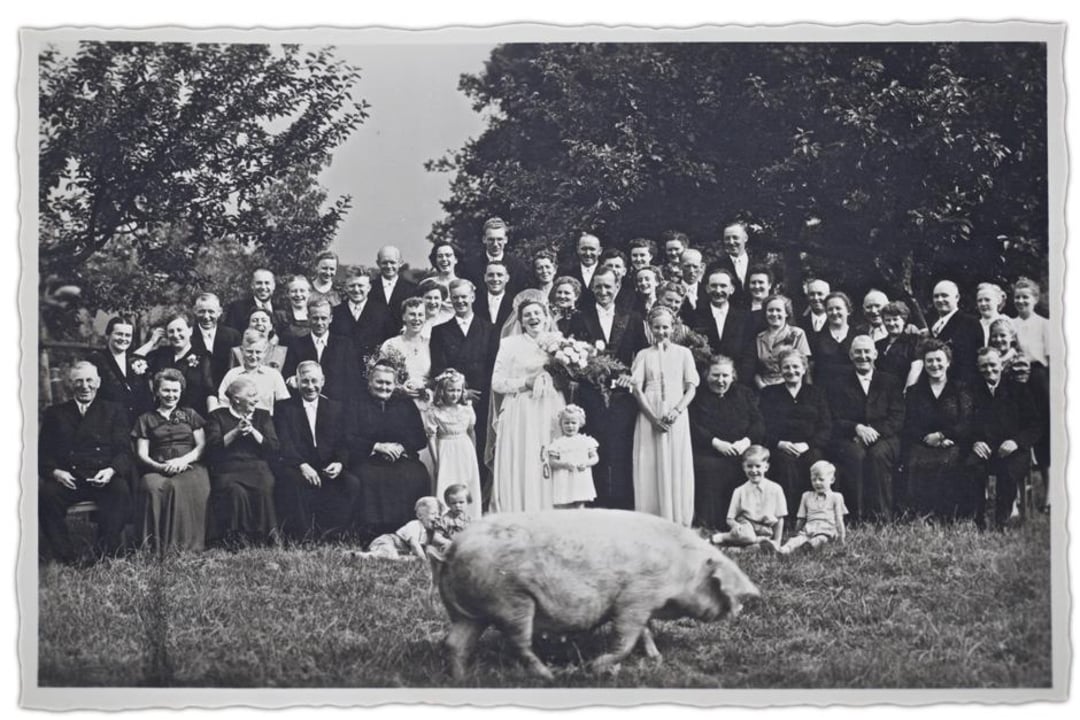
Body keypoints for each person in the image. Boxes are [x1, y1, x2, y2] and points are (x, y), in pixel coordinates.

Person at [566, 268, 648, 510]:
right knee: (595, 445)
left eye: (608, 287)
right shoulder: (581, 317)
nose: (603, 291)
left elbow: (642, 355)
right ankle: (596, 502)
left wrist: (631, 377)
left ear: (617, 287)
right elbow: (571, 353)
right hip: (591, 394)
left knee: (621, 448)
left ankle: (624, 504)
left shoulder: (632, 317)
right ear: (592, 288)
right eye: (598, 287)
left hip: (623, 396)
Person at [38, 362, 132, 563]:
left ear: (98, 383)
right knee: (46, 496)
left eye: (89, 380)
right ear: (70, 384)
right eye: (78, 381)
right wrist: (56, 473)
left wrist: (111, 470)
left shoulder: (114, 410)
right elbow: (43, 454)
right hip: (70, 478)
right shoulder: (55, 413)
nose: (85, 386)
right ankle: (66, 556)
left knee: (121, 491)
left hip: (102, 476)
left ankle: (107, 552)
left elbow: (124, 450)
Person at [490, 296, 566, 513]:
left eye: (537, 313)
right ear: (521, 321)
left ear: (545, 317)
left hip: (551, 407)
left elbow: (569, 377)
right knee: (524, 457)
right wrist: (525, 383)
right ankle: (519, 508)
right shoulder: (509, 344)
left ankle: (550, 508)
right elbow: (497, 382)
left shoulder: (559, 341)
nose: (533, 318)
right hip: (521, 409)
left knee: (549, 454)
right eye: (527, 315)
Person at [273, 361, 362, 541]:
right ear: (297, 382)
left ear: (323, 381)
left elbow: (344, 442)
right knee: (293, 482)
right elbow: (285, 442)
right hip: (297, 463)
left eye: (315, 381)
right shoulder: (285, 408)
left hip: (327, 464)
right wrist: (302, 465)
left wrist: (339, 463)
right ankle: (304, 537)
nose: (310, 387)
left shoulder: (336, 408)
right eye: (305, 381)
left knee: (351, 483)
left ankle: (334, 534)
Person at [429, 279, 496, 508]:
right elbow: (438, 367)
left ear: (473, 297)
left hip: (483, 400)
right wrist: (459, 392)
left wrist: (476, 393)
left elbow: (493, 366)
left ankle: (477, 506)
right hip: (452, 402)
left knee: (478, 452)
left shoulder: (488, 328)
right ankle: (451, 508)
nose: (460, 301)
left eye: (464, 296)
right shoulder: (440, 331)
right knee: (454, 457)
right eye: (455, 297)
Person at [631, 305, 700, 526]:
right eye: (656, 327)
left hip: (676, 413)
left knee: (676, 461)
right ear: (650, 329)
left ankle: (677, 516)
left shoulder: (684, 354)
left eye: (665, 327)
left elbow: (691, 387)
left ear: (673, 327)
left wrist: (677, 410)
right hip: (650, 413)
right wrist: (653, 418)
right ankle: (653, 516)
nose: (661, 332)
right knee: (650, 461)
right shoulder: (643, 354)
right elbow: (636, 388)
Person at [826, 335, 905, 522]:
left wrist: (873, 432)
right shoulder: (838, 383)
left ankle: (881, 516)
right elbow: (834, 417)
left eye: (867, 351)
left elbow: (897, 417)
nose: (863, 356)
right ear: (851, 355)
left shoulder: (890, 381)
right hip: (849, 437)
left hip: (885, 437)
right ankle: (856, 515)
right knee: (855, 455)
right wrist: (857, 428)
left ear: (875, 354)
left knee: (878, 455)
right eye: (858, 352)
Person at [132, 368, 211, 554]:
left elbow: (201, 446)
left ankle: (182, 547)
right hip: (158, 466)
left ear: (181, 391)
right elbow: (142, 454)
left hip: (190, 465)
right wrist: (160, 466)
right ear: (157, 391)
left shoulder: (190, 414)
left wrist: (182, 461)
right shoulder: (146, 419)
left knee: (179, 486)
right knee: (149, 485)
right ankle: (153, 547)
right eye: (166, 390)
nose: (171, 395)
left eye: (175, 391)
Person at [352, 361, 431, 538]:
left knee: (416, 474)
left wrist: (402, 446)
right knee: (369, 477)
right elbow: (348, 435)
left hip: (401, 457)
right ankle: (373, 531)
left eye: (388, 383)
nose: (384, 387)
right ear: (370, 382)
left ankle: (408, 529)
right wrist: (376, 446)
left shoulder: (405, 404)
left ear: (395, 385)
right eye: (379, 382)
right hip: (368, 457)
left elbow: (419, 437)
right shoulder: (357, 403)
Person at [689, 354, 765, 531]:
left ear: (733, 376)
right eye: (715, 375)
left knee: (751, 465)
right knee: (710, 467)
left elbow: (758, 423)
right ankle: (711, 523)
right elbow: (693, 426)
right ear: (706, 375)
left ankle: (749, 520)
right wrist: (715, 443)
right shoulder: (697, 396)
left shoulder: (744, 393)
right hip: (709, 450)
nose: (721, 380)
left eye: (725, 376)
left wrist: (745, 442)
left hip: (741, 450)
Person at [902, 339, 975, 519]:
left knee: (950, 461)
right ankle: (922, 512)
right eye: (930, 361)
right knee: (916, 461)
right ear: (924, 364)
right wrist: (928, 438)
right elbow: (909, 423)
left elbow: (966, 421)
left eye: (939, 360)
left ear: (948, 362)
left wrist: (943, 436)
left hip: (954, 442)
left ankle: (948, 514)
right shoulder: (914, 391)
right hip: (923, 442)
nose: (935, 365)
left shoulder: (960, 389)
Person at [969, 347, 1041, 529]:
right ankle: (978, 518)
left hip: (1013, 450)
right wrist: (974, 442)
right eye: (983, 366)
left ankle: (1002, 520)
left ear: (1001, 365)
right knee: (971, 466)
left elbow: (1035, 425)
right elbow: (965, 424)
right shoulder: (972, 391)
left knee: (1008, 472)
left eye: (992, 364)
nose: (989, 370)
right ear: (978, 368)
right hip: (984, 448)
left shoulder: (1019, 389)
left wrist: (1016, 442)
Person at [204, 375, 279, 545]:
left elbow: (273, 447)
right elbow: (212, 449)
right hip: (228, 468)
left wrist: (253, 431)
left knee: (264, 488)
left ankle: (265, 538)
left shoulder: (263, 415)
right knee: (235, 492)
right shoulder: (217, 416)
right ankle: (238, 539)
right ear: (237, 399)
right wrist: (236, 431)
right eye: (252, 395)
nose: (256, 399)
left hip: (257, 466)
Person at [760, 348, 832, 516]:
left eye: (795, 366)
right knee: (785, 465)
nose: (791, 371)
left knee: (815, 464)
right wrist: (779, 444)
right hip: (780, 446)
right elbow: (762, 426)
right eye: (786, 367)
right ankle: (789, 516)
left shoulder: (817, 393)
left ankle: (816, 514)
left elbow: (826, 426)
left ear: (804, 368)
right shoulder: (769, 393)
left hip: (810, 446)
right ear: (780, 369)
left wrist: (807, 445)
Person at [425, 369, 482, 519]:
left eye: (458, 390)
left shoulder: (467, 409)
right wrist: (437, 462)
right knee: (446, 482)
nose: (454, 394)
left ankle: (470, 519)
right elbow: (431, 437)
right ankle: (444, 522)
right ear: (442, 390)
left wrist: (473, 455)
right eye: (451, 390)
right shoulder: (434, 411)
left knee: (466, 484)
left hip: (464, 448)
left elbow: (471, 431)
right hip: (445, 449)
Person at [281, 298, 361, 404]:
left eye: (323, 318)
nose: (319, 323)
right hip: (305, 405)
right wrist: (291, 380)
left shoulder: (345, 345)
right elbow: (287, 375)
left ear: (331, 319)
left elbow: (352, 380)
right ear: (308, 318)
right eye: (315, 318)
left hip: (337, 406)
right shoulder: (296, 345)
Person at [710, 445, 786, 552]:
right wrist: (736, 526)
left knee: (765, 546)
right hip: (746, 527)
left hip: (765, 531)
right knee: (748, 536)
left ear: (766, 467)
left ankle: (732, 549)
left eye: (758, 466)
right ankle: (721, 537)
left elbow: (779, 518)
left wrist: (777, 541)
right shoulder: (739, 491)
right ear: (743, 467)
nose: (754, 470)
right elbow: (730, 518)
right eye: (749, 466)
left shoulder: (776, 489)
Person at [689, 267, 754, 383]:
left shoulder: (744, 318)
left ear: (732, 289)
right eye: (714, 286)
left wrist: (736, 380)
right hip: (705, 383)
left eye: (723, 286)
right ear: (707, 288)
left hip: (737, 382)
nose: (718, 291)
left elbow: (749, 355)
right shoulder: (694, 317)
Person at [145, 312, 215, 417]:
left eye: (179, 330)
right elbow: (134, 361)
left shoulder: (204, 356)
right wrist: (152, 342)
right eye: (171, 331)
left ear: (190, 331)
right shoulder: (160, 354)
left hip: (193, 418)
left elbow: (210, 392)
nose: (176, 335)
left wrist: (212, 420)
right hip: (162, 418)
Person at [89, 315, 155, 423]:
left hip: (136, 424)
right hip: (108, 423)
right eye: (119, 334)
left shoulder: (136, 361)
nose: (124, 339)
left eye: (128, 335)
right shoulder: (96, 360)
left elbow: (146, 396)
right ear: (108, 335)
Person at [330, 268, 396, 368]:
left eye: (360, 286)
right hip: (342, 370)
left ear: (369, 287)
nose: (356, 290)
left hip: (372, 371)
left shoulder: (383, 313)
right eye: (352, 286)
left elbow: (390, 343)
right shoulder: (336, 313)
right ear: (346, 288)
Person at [778, 460, 848, 554]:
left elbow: (839, 519)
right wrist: (797, 532)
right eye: (813, 480)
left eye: (821, 479)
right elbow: (801, 518)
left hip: (827, 530)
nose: (817, 483)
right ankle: (783, 549)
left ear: (832, 480)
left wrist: (841, 538)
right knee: (796, 539)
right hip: (809, 528)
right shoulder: (806, 496)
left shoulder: (836, 497)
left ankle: (807, 548)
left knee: (820, 539)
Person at [216, 330, 290, 415]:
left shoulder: (274, 375)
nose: (253, 356)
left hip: (266, 423)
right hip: (237, 422)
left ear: (264, 353)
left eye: (258, 352)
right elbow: (223, 403)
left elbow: (284, 404)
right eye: (249, 351)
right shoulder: (232, 374)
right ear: (242, 351)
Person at [544, 404, 599, 509]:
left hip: (580, 477)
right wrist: (563, 464)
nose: (570, 426)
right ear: (561, 424)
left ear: (580, 424)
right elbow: (551, 461)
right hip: (564, 478)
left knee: (580, 502)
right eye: (566, 423)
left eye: (574, 423)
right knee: (564, 504)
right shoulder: (558, 443)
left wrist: (586, 463)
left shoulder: (586, 441)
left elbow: (595, 458)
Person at [379, 297, 432, 403]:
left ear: (425, 317)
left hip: (427, 402)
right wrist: (399, 389)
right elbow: (380, 375)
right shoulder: (391, 345)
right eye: (412, 314)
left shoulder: (432, 344)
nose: (416, 318)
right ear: (404, 317)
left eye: (420, 314)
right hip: (399, 401)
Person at [928, 279, 982, 383]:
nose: (939, 299)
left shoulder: (970, 323)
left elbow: (974, 359)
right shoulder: (931, 322)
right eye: (936, 296)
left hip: (960, 384)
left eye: (944, 295)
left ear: (957, 297)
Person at [754, 294, 812, 389]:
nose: (774, 314)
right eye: (770, 310)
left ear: (786, 313)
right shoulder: (759, 337)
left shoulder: (797, 334)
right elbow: (755, 369)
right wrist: (763, 387)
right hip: (764, 387)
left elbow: (805, 367)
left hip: (790, 386)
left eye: (778, 310)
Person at [461, 217, 530, 295]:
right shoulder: (471, 267)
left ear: (506, 240)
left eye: (499, 239)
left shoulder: (518, 266)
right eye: (491, 239)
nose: (495, 244)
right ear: (484, 239)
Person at [358, 496, 440, 560]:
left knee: (406, 558)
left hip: (400, 550)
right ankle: (360, 556)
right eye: (433, 514)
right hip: (388, 541)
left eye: (438, 514)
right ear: (420, 516)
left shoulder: (431, 532)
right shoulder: (415, 525)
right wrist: (423, 559)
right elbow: (415, 544)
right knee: (388, 554)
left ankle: (398, 557)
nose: (437, 517)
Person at [189, 293, 242, 389]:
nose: (206, 316)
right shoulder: (188, 336)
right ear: (194, 311)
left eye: (211, 312)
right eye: (201, 311)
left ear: (219, 312)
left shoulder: (233, 336)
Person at [814, 291, 856, 389]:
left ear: (848, 311)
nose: (834, 312)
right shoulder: (817, 338)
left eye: (838, 308)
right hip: (824, 390)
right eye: (830, 309)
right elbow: (810, 368)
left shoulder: (859, 335)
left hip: (853, 389)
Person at [875, 300, 923, 387]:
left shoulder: (914, 341)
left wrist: (907, 392)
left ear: (903, 320)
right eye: (887, 320)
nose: (891, 323)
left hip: (904, 391)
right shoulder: (878, 344)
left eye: (895, 319)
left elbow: (916, 369)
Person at [426, 484, 473, 564]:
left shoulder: (469, 519)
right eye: (453, 503)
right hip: (450, 546)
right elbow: (436, 538)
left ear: (468, 502)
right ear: (448, 504)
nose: (458, 505)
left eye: (461, 502)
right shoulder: (445, 519)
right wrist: (450, 543)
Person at [223, 268, 277, 333]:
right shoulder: (237, 308)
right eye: (259, 283)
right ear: (252, 285)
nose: (263, 287)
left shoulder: (281, 310)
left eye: (267, 283)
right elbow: (231, 336)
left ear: (273, 286)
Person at [1011, 276, 1049, 368]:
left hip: (1038, 371)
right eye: (1017, 297)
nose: (1020, 301)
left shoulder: (1045, 324)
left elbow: (1050, 355)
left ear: (1035, 299)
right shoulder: (1010, 323)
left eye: (1025, 297)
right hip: (1016, 371)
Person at [371, 245, 417, 320]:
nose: (389, 266)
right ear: (378, 263)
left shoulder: (412, 289)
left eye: (392, 262)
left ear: (401, 263)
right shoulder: (368, 288)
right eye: (384, 263)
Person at [560, 232, 603, 306]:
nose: (588, 253)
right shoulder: (568, 273)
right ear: (577, 250)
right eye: (584, 249)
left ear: (600, 251)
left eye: (592, 249)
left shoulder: (606, 272)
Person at [475, 261, 514, 331]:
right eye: (491, 275)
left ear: (507, 278)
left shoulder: (515, 303)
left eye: (499, 275)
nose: (495, 279)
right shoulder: (475, 302)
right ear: (485, 278)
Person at [797, 277, 830, 355]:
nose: (816, 298)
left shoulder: (835, 321)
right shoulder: (799, 323)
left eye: (820, 294)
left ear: (828, 296)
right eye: (812, 294)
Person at [274, 274, 312, 342]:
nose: (298, 294)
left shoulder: (315, 315)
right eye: (294, 291)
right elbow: (274, 344)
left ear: (309, 293)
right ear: (288, 294)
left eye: (302, 291)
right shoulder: (280, 317)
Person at [975, 282, 1009, 347]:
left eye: (987, 300)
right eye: (979, 300)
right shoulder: (975, 324)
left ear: (998, 300)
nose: (983, 304)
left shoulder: (1007, 321)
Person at [679, 248, 707, 313]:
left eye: (695, 266)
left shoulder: (707, 291)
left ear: (702, 267)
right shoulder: (672, 290)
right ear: (680, 266)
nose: (691, 271)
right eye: (687, 266)